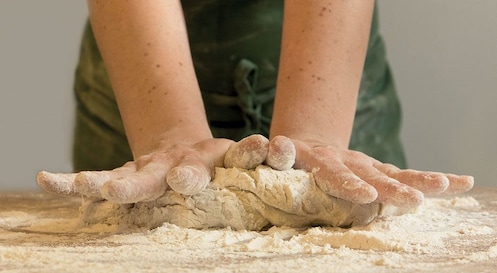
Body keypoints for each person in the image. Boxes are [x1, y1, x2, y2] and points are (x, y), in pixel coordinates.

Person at [39, 1, 473, 209]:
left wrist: (316, 130)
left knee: (345, 219)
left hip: (327, 68)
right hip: (146, 75)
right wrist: (168, 135)